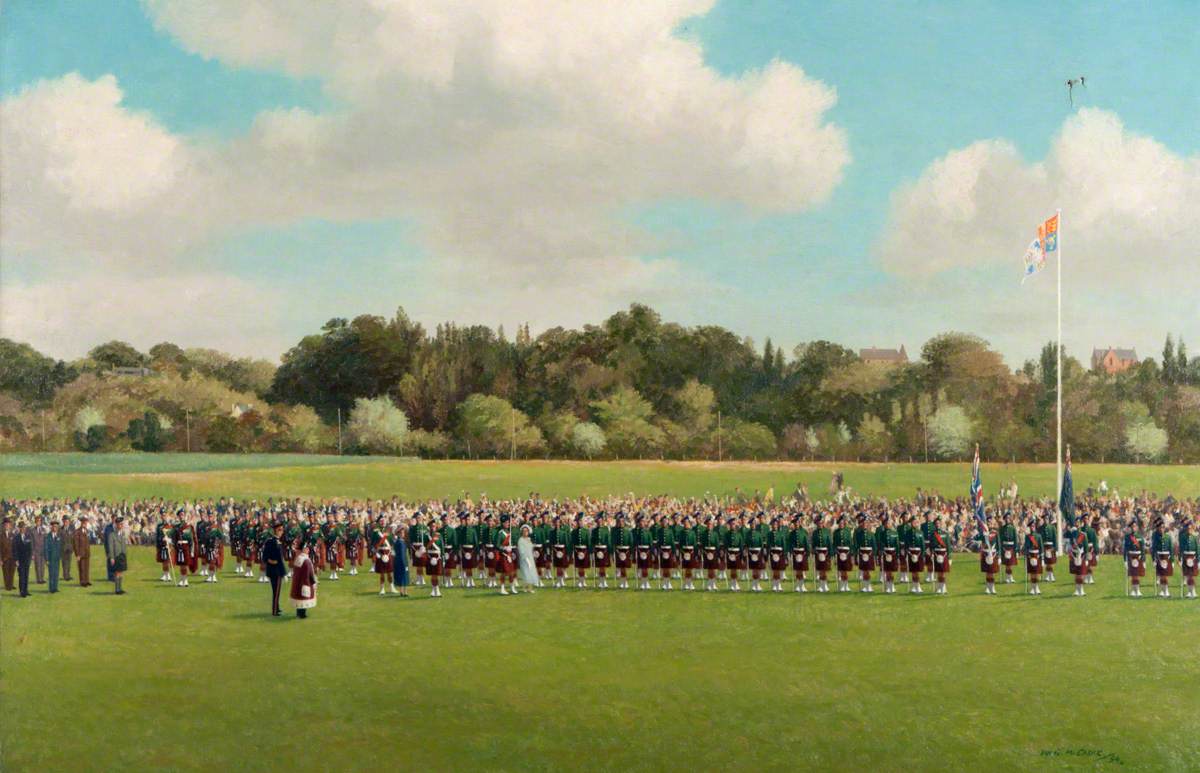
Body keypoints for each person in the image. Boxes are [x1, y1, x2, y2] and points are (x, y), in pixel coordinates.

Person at [262, 522, 287, 616]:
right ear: (275, 531)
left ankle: (277, 607)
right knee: (276, 591)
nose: (281, 532)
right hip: (275, 571)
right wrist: (284, 573)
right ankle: (274, 611)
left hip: (274, 569)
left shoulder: (275, 541)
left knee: (276, 591)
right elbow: (266, 556)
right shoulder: (272, 541)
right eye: (279, 530)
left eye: (282, 530)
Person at [289, 543, 317, 618]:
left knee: (299, 598)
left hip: (297, 582)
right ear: (303, 550)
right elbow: (310, 573)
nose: (308, 550)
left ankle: (299, 613)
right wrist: (313, 582)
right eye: (307, 548)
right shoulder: (306, 561)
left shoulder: (298, 558)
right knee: (304, 598)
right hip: (305, 582)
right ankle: (302, 614)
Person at [1152, 517, 1174, 599]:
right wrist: (1153, 559)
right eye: (1160, 527)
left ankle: (1166, 591)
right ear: (1158, 528)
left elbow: (1171, 549)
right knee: (1161, 575)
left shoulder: (1168, 537)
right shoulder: (1156, 537)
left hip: (1166, 557)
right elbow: (1153, 549)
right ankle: (1162, 591)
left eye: (1163, 527)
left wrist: (1172, 560)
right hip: (1159, 557)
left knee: (1166, 575)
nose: (1162, 529)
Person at [106, 515, 128, 595]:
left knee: (121, 572)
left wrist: (124, 554)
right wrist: (112, 557)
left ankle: (120, 588)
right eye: (119, 524)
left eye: (122, 524)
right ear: (116, 525)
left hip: (122, 556)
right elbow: (110, 547)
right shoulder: (112, 535)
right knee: (117, 573)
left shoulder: (122, 534)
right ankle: (117, 589)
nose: (121, 526)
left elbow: (124, 545)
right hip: (116, 556)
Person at [1124, 520, 1146, 598]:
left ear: (1137, 527)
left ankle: (1138, 590)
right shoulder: (1127, 537)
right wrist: (1125, 561)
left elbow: (1143, 549)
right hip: (1131, 556)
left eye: (1135, 526)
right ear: (1130, 528)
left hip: (1138, 557)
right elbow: (1125, 549)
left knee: (1138, 574)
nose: (1134, 528)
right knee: (1133, 574)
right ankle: (1133, 590)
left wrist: (1143, 560)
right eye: (1132, 526)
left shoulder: (1140, 537)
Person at [14, 521, 34, 597]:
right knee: (21, 576)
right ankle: (22, 592)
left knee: (26, 575)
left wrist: (30, 557)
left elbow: (30, 548)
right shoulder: (16, 538)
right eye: (21, 527)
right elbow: (14, 550)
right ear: (19, 528)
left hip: (27, 560)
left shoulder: (28, 537)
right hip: (20, 560)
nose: (23, 529)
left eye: (24, 527)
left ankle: (26, 590)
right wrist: (16, 560)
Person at [44, 520, 63, 593]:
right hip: (51, 558)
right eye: (54, 527)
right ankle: (51, 588)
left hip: (57, 558)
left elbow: (60, 546)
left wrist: (60, 556)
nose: (55, 528)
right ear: (51, 527)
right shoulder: (48, 536)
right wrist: (47, 559)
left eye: (56, 527)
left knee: (56, 573)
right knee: (51, 574)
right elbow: (46, 548)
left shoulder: (58, 536)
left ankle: (55, 587)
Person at [517, 524, 537, 593]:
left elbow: (531, 548)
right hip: (524, 558)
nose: (525, 532)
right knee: (525, 572)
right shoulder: (520, 540)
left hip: (530, 557)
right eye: (524, 531)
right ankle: (525, 587)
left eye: (526, 531)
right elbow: (521, 550)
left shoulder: (529, 539)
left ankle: (529, 588)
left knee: (531, 572)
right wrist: (526, 559)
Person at [391, 524, 410, 597]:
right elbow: (402, 554)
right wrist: (404, 563)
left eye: (403, 533)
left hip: (397, 560)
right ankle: (404, 592)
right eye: (401, 533)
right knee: (403, 576)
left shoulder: (398, 541)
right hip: (402, 561)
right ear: (399, 534)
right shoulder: (401, 542)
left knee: (401, 576)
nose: (403, 534)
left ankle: (402, 591)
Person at [74, 515, 93, 587]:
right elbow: (75, 544)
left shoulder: (87, 531)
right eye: (84, 523)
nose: (85, 524)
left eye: (86, 522)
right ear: (81, 523)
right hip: (80, 553)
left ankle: (86, 580)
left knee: (86, 567)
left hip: (87, 552)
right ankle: (82, 581)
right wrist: (77, 554)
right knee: (81, 567)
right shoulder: (77, 532)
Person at [1, 517, 15, 591]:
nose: (7, 526)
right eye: (5, 524)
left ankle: (11, 584)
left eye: (8, 524)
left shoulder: (13, 535)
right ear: (3, 526)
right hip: (4, 557)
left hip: (12, 557)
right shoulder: (1, 535)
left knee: (12, 572)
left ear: (10, 526)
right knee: (6, 572)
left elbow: (15, 547)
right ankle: (7, 586)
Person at [32, 515, 47, 585]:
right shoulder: (33, 530)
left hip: (43, 550)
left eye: (40, 521)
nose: (38, 522)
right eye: (37, 521)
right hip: (36, 550)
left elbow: (46, 540)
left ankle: (42, 578)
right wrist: (32, 553)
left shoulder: (43, 530)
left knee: (42, 565)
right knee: (37, 565)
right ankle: (39, 579)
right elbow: (31, 543)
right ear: (35, 522)